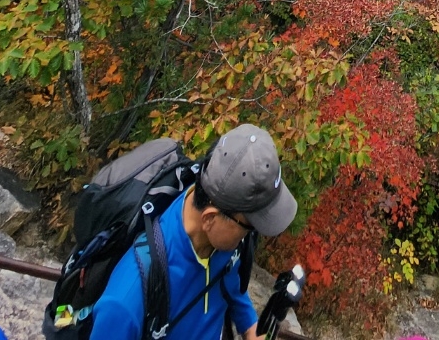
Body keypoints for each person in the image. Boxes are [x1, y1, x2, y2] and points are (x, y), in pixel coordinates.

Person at [89, 125, 297, 340]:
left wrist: (251, 330)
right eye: (250, 227)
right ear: (209, 219)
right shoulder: (125, 301)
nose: (251, 236)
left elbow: (231, 279)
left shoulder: (220, 235)